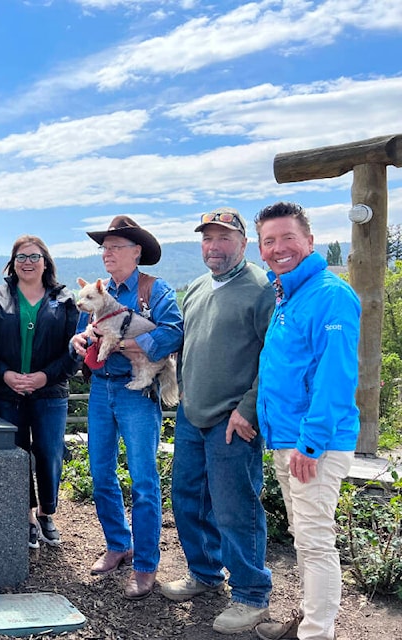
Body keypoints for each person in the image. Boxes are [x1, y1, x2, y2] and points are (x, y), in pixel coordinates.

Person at [160, 208, 275, 633]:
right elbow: (187, 346)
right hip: (193, 415)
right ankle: (205, 574)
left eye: (224, 238)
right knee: (187, 499)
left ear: (243, 244)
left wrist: (248, 408)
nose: (214, 246)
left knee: (235, 510)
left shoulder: (261, 289)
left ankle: (251, 594)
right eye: (208, 238)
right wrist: (186, 390)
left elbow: (273, 358)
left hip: (233, 421)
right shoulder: (196, 287)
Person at [252, 202, 360, 640]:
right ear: (260, 249)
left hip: (314, 443)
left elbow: (336, 376)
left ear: (310, 241)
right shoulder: (287, 295)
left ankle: (317, 633)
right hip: (287, 438)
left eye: (288, 238)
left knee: (315, 541)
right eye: (269, 241)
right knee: (304, 537)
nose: (279, 248)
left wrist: (311, 443)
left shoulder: (330, 295)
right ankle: (312, 620)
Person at [70, 215, 183, 600]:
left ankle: (146, 565)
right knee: (101, 473)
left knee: (144, 481)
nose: (108, 253)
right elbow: (92, 332)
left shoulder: (154, 290)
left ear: (137, 252)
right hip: (102, 389)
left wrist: (133, 347)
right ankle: (119, 544)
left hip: (137, 392)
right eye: (105, 247)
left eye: (116, 247)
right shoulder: (97, 294)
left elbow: (174, 332)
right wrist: (82, 340)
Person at [0, 236, 79, 549]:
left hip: (50, 391)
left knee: (49, 451)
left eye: (34, 256)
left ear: (45, 261)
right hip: (7, 391)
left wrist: (45, 377)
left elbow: (76, 347)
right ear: (12, 262)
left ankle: (47, 512)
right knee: (15, 454)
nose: (27, 262)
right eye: (21, 257)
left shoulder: (65, 299)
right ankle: (26, 515)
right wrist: (5, 374)